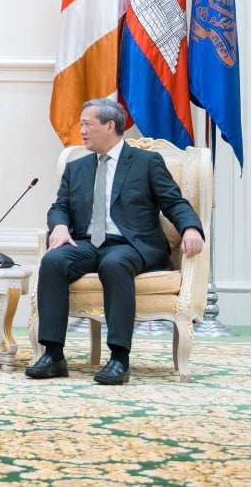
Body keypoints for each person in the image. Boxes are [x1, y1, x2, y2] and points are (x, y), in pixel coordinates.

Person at [27, 98, 205, 385]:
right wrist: (59, 225)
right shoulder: (76, 167)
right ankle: (53, 355)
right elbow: (60, 206)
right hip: (87, 243)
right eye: (81, 125)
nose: (82, 131)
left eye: (87, 124)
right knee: (53, 261)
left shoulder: (147, 163)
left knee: (115, 263)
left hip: (131, 244)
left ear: (110, 125)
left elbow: (174, 203)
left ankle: (119, 359)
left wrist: (191, 229)